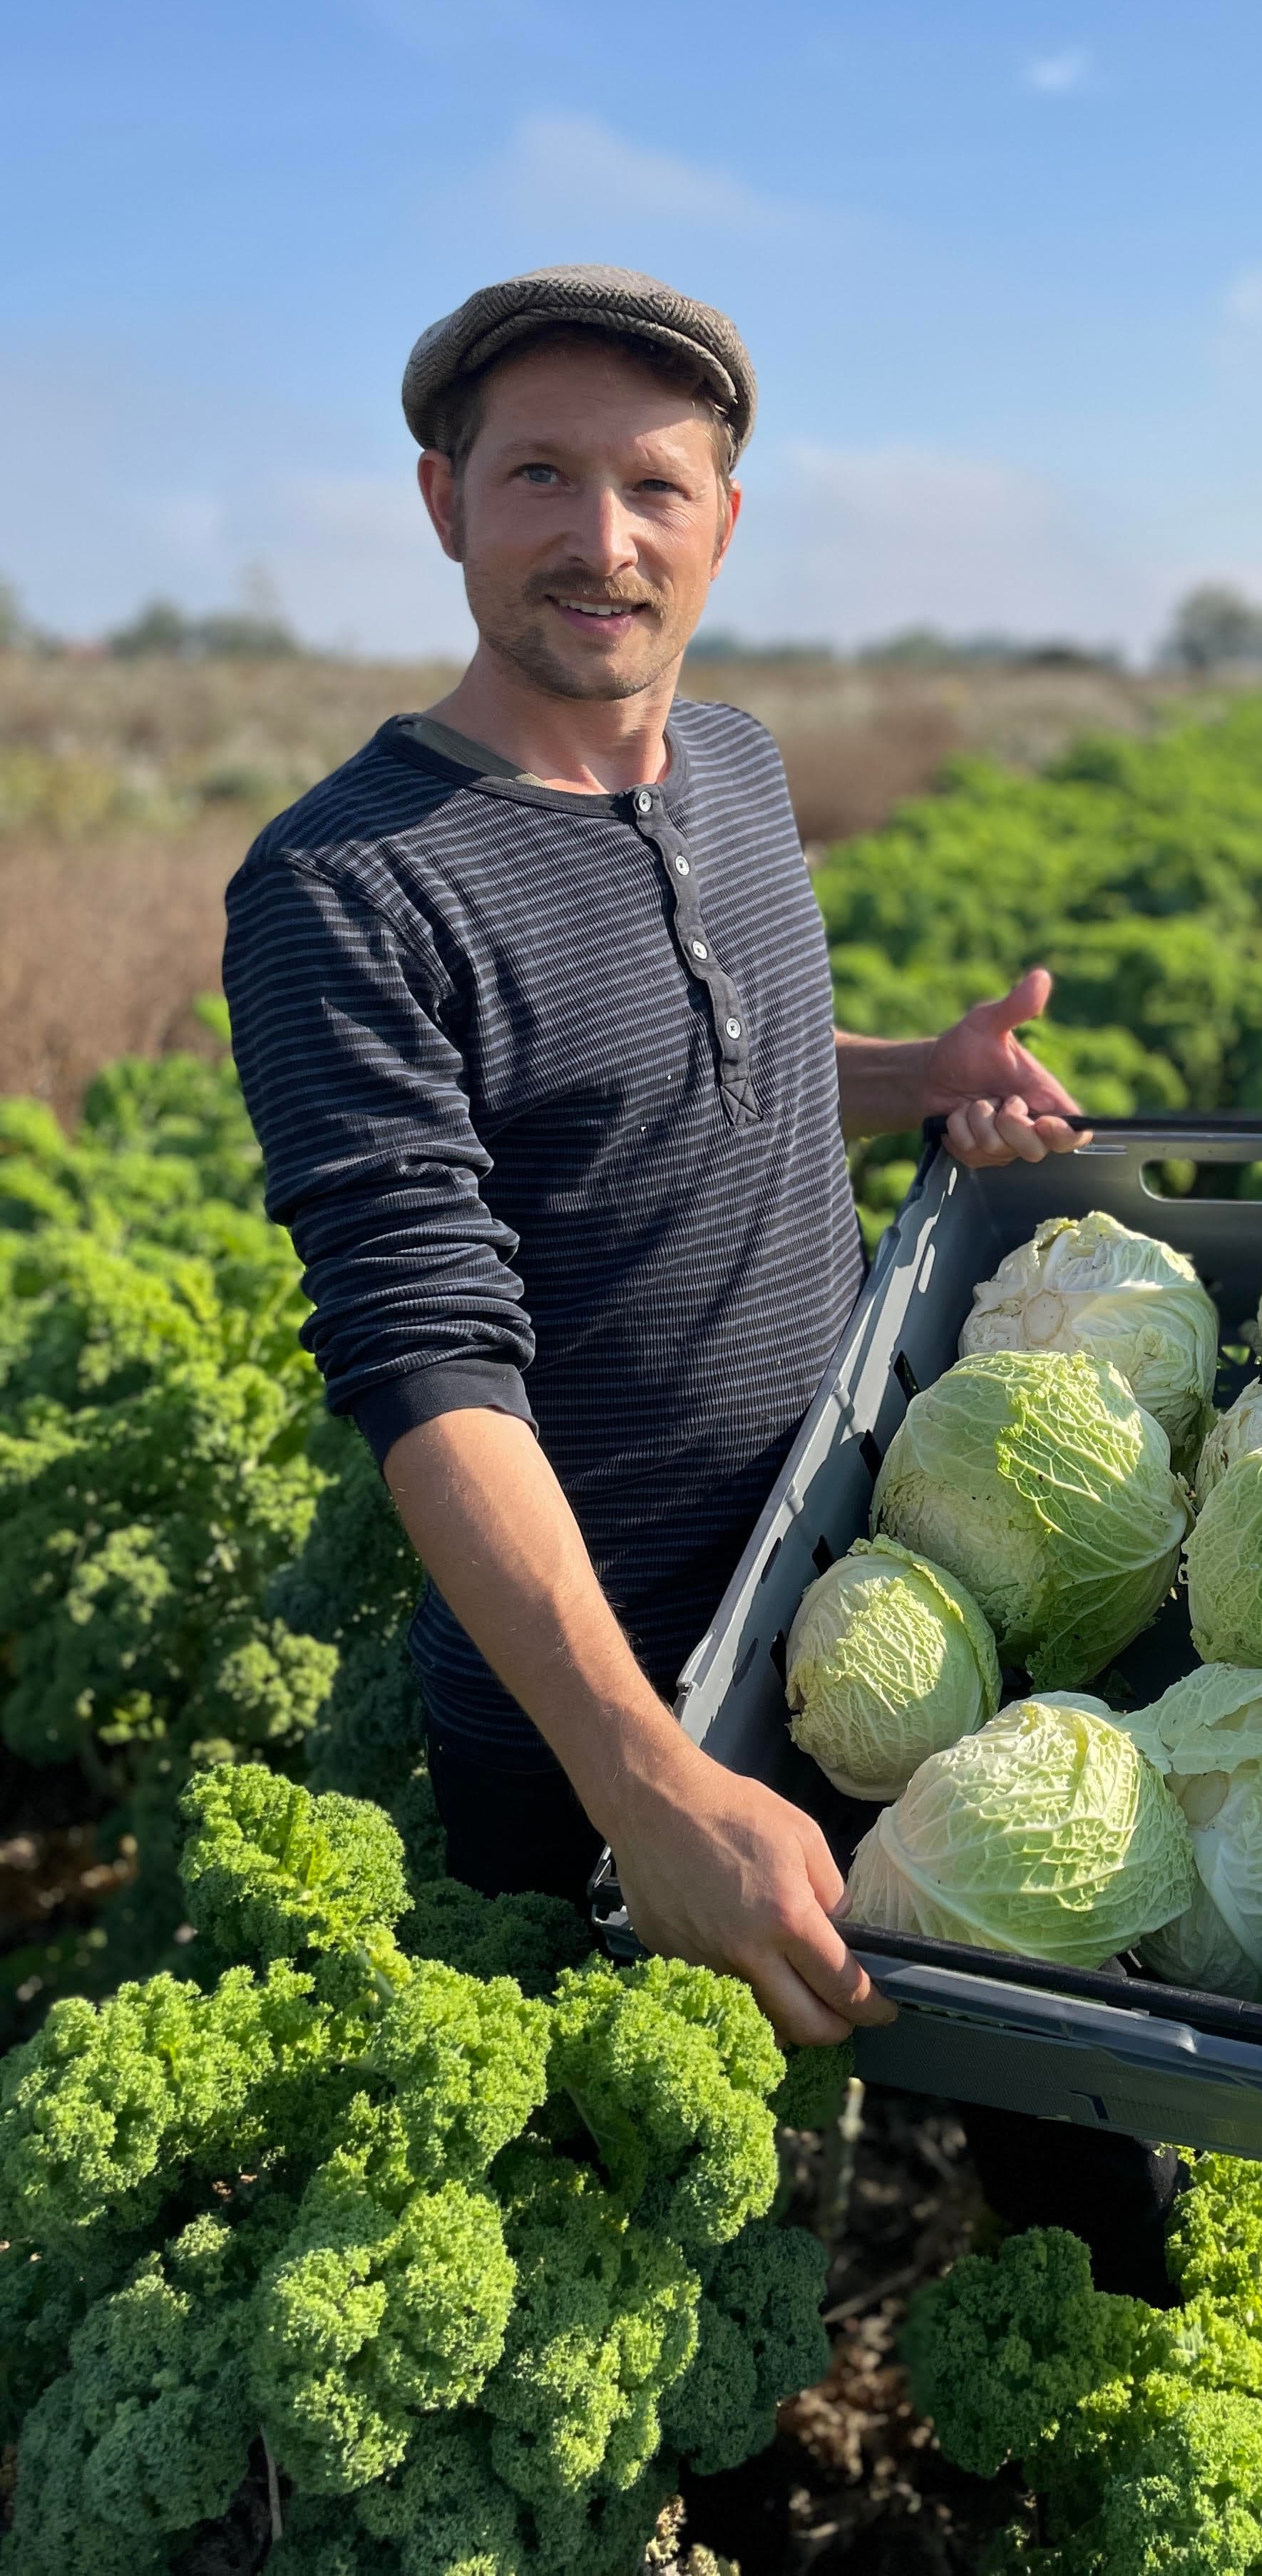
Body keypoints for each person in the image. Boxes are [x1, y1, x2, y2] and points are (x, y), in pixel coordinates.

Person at [221, 264, 1094, 2051]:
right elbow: (425, 1364)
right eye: (540, 475)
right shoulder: (346, 890)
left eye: (654, 487)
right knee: (655, 2229)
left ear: (726, 523)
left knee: (1053, 2102)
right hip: (595, 1715)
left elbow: (729, 1075)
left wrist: (921, 1075)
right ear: (442, 501)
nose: (600, 541)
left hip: (864, 1577)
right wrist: (641, 1778)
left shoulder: (741, 771)